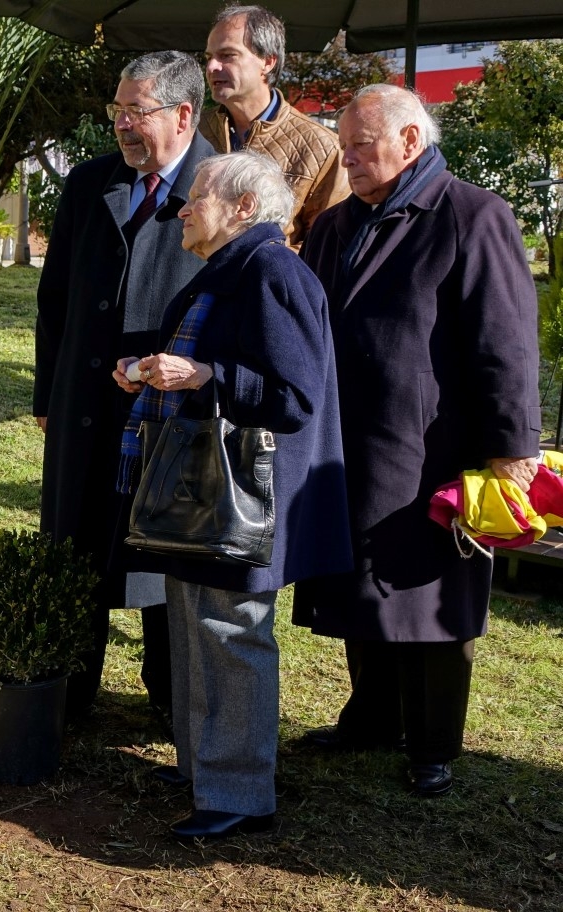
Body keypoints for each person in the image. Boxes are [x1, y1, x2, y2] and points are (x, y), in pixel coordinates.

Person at [294, 84, 541, 798]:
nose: (348, 158)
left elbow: (507, 343)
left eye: (361, 145)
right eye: (343, 145)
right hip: (347, 438)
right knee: (359, 581)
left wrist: (511, 445)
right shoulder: (337, 223)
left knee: (430, 593)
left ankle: (433, 741)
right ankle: (370, 717)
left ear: (410, 141)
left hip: (434, 442)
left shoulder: (473, 215)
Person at [114, 151, 350, 839]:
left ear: (245, 207)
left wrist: (203, 376)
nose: (182, 208)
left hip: (242, 497)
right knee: (196, 627)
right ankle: (203, 767)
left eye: (197, 198)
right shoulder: (230, 269)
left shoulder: (273, 271)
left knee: (232, 635)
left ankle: (242, 796)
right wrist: (152, 370)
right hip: (206, 495)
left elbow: (296, 395)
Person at [35, 50, 215, 723]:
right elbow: (55, 302)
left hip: (172, 414)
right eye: (117, 111)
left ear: (183, 114)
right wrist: (48, 398)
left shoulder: (219, 188)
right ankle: (69, 688)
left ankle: (172, 699)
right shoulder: (89, 184)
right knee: (77, 545)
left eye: (135, 112)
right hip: (83, 410)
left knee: (162, 561)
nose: (121, 125)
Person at [200, 5, 348, 247]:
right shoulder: (193, 132)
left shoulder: (322, 148)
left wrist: (266, 272)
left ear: (268, 62)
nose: (212, 67)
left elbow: (326, 248)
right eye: (209, 57)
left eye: (227, 55)